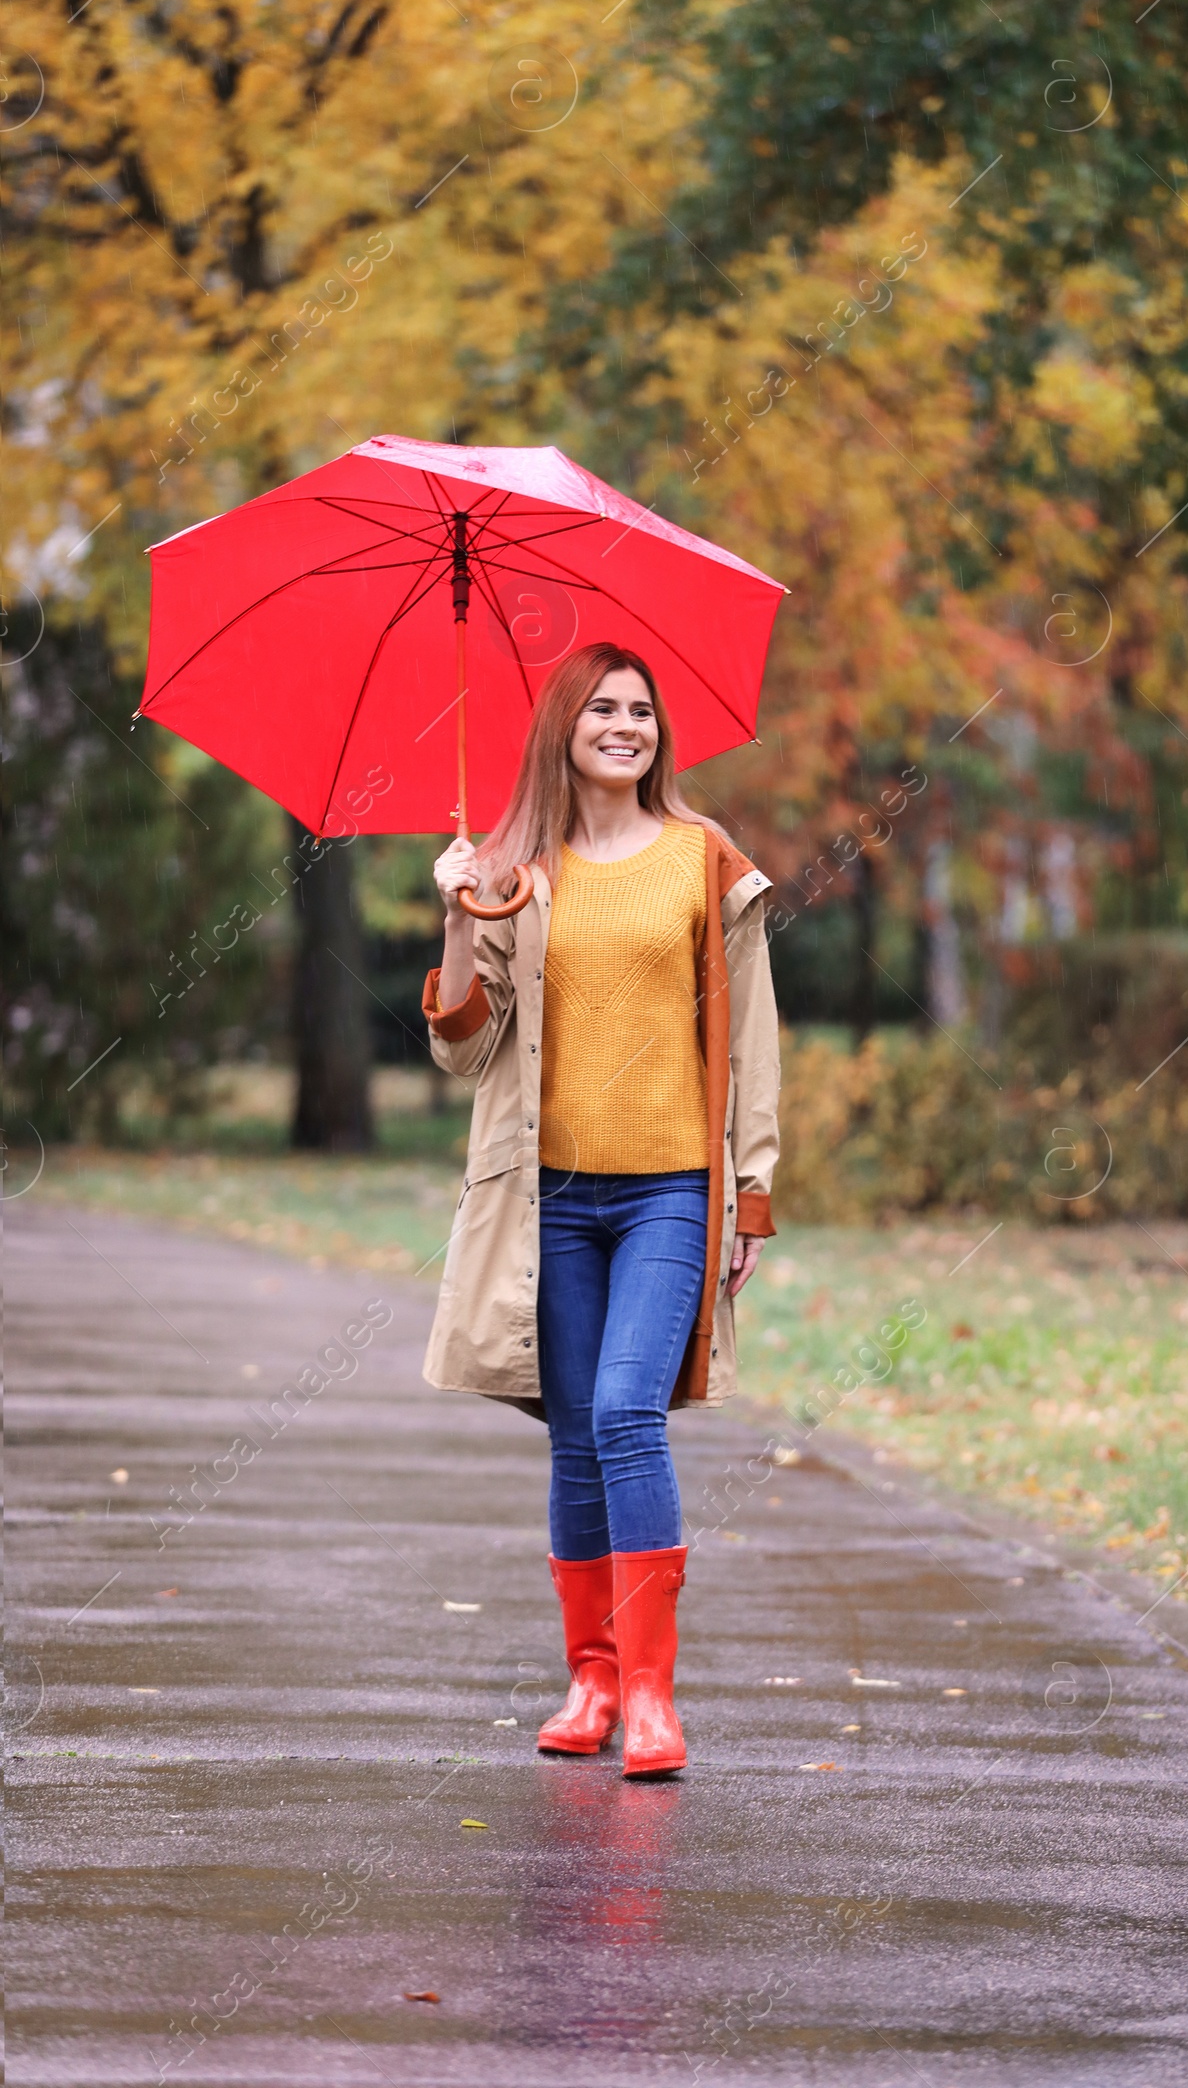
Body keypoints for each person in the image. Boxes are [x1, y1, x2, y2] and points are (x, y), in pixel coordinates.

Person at [422, 642, 780, 1779]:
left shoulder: (702, 860)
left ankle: (653, 1698)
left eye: (640, 711)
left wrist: (750, 1196)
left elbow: (752, 1038)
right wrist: (456, 914)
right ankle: (590, 1677)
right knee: (576, 1438)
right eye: (601, 709)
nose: (624, 725)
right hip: (552, 1203)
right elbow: (463, 1050)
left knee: (628, 1415)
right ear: (563, 728)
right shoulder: (514, 871)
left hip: (671, 1191)